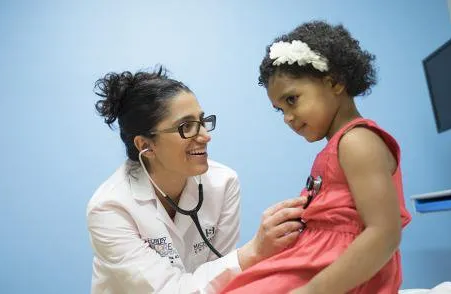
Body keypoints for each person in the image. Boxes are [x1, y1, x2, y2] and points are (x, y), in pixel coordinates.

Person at [220, 20, 412, 294]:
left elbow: (384, 233)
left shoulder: (357, 141)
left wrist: (313, 291)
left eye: (292, 100)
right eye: (279, 110)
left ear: (334, 82)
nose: (287, 118)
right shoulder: (338, 145)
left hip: (340, 274)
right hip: (316, 260)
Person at [86, 67, 306, 293]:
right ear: (145, 146)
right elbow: (169, 290)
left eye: (202, 122)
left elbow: (224, 280)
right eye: (186, 127)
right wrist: (254, 251)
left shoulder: (223, 184)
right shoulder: (110, 208)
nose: (205, 136)